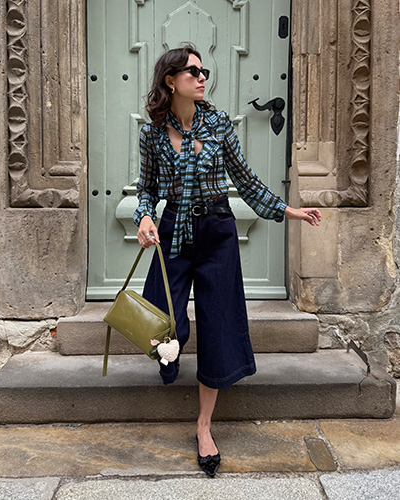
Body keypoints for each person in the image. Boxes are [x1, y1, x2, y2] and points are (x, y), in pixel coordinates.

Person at [133, 44, 321, 477]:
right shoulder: (152, 133)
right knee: (163, 320)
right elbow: (146, 187)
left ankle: (204, 427)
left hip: (217, 230)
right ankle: (170, 356)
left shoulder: (218, 125)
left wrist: (287, 210)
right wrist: (144, 215)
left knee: (217, 326)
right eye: (193, 71)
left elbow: (246, 180)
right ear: (170, 80)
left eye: (204, 71)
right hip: (173, 230)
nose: (202, 77)